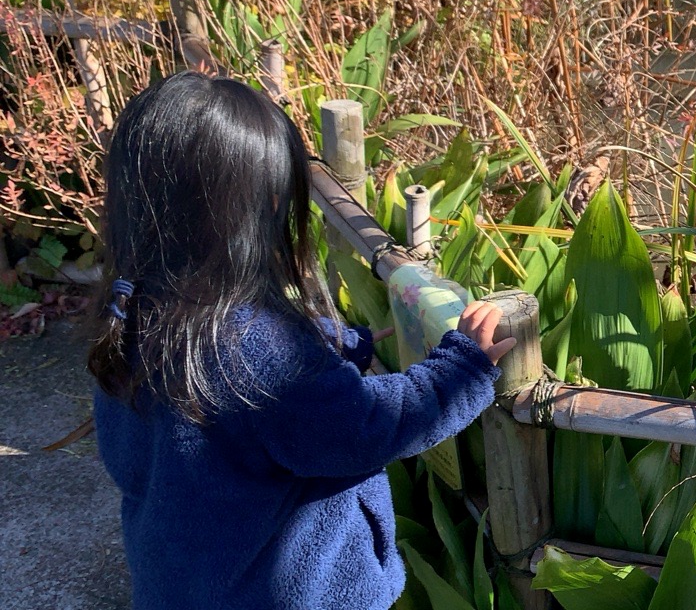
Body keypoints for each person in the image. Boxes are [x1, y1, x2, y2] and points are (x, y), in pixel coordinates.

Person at [88, 71, 515, 610]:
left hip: (178, 584)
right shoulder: (256, 351)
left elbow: (142, 454)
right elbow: (363, 430)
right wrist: (460, 369)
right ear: (257, 207)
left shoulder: (133, 312)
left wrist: (333, 349)